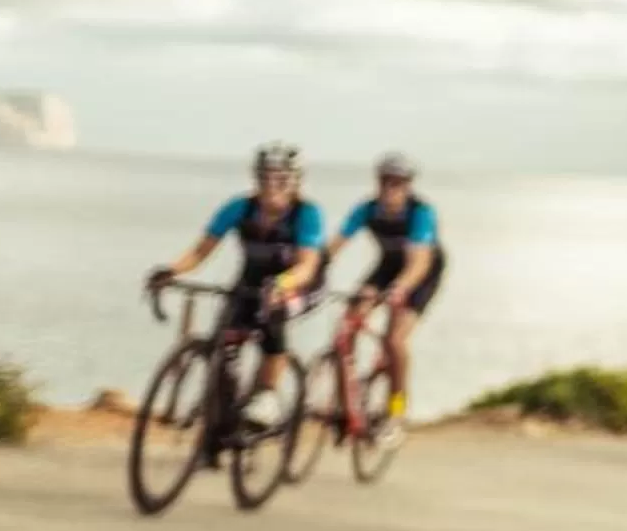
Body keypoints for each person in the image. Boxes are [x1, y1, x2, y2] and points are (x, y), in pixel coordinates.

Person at [147, 142, 327, 431]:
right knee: (226, 337)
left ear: (296, 181)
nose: (271, 186)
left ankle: (267, 394)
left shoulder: (306, 214)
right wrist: (171, 271)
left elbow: (307, 266)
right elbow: (200, 251)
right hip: (251, 279)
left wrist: (282, 284)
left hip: (300, 282)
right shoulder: (239, 208)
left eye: (281, 179)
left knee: (274, 313)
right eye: (265, 177)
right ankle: (222, 418)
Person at [325, 152, 444, 442]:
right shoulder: (367, 209)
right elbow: (335, 245)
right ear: (377, 182)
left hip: (422, 273)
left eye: (398, 182)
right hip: (388, 266)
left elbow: (419, 263)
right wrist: (314, 272)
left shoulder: (421, 213)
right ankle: (344, 407)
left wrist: (400, 288)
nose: (391, 187)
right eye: (385, 181)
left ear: (408, 185)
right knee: (344, 330)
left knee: (395, 341)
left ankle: (397, 412)